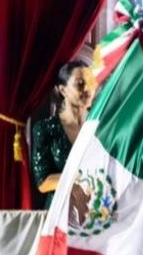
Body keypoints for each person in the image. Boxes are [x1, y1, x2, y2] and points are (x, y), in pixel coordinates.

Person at [31, 60, 98, 207]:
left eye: (91, 83)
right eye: (80, 84)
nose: (87, 89)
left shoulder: (101, 127)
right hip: (60, 211)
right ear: (63, 90)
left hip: (98, 210)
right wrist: (80, 179)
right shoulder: (45, 128)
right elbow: (43, 182)